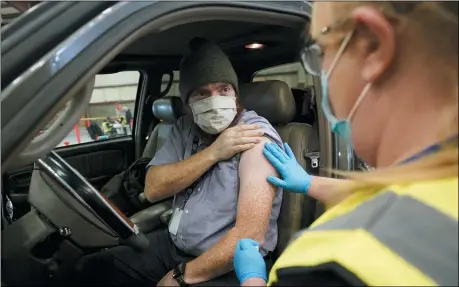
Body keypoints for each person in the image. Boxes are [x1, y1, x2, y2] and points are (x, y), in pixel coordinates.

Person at [233, 1, 458, 286]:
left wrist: (252, 280)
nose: (323, 71)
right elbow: (406, 192)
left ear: (372, 46)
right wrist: (309, 183)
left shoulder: (334, 265)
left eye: (323, 52)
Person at [73, 38, 284, 286]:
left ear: (235, 94)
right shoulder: (186, 128)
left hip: (233, 263)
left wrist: (182, 276)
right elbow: (153, 188)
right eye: (202, 93)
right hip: (176, 246)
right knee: (92, 268)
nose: (215, 99)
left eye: (224, 89)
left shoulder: (256, 136)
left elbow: (250, 236)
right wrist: (214, 152)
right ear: (188, 103)